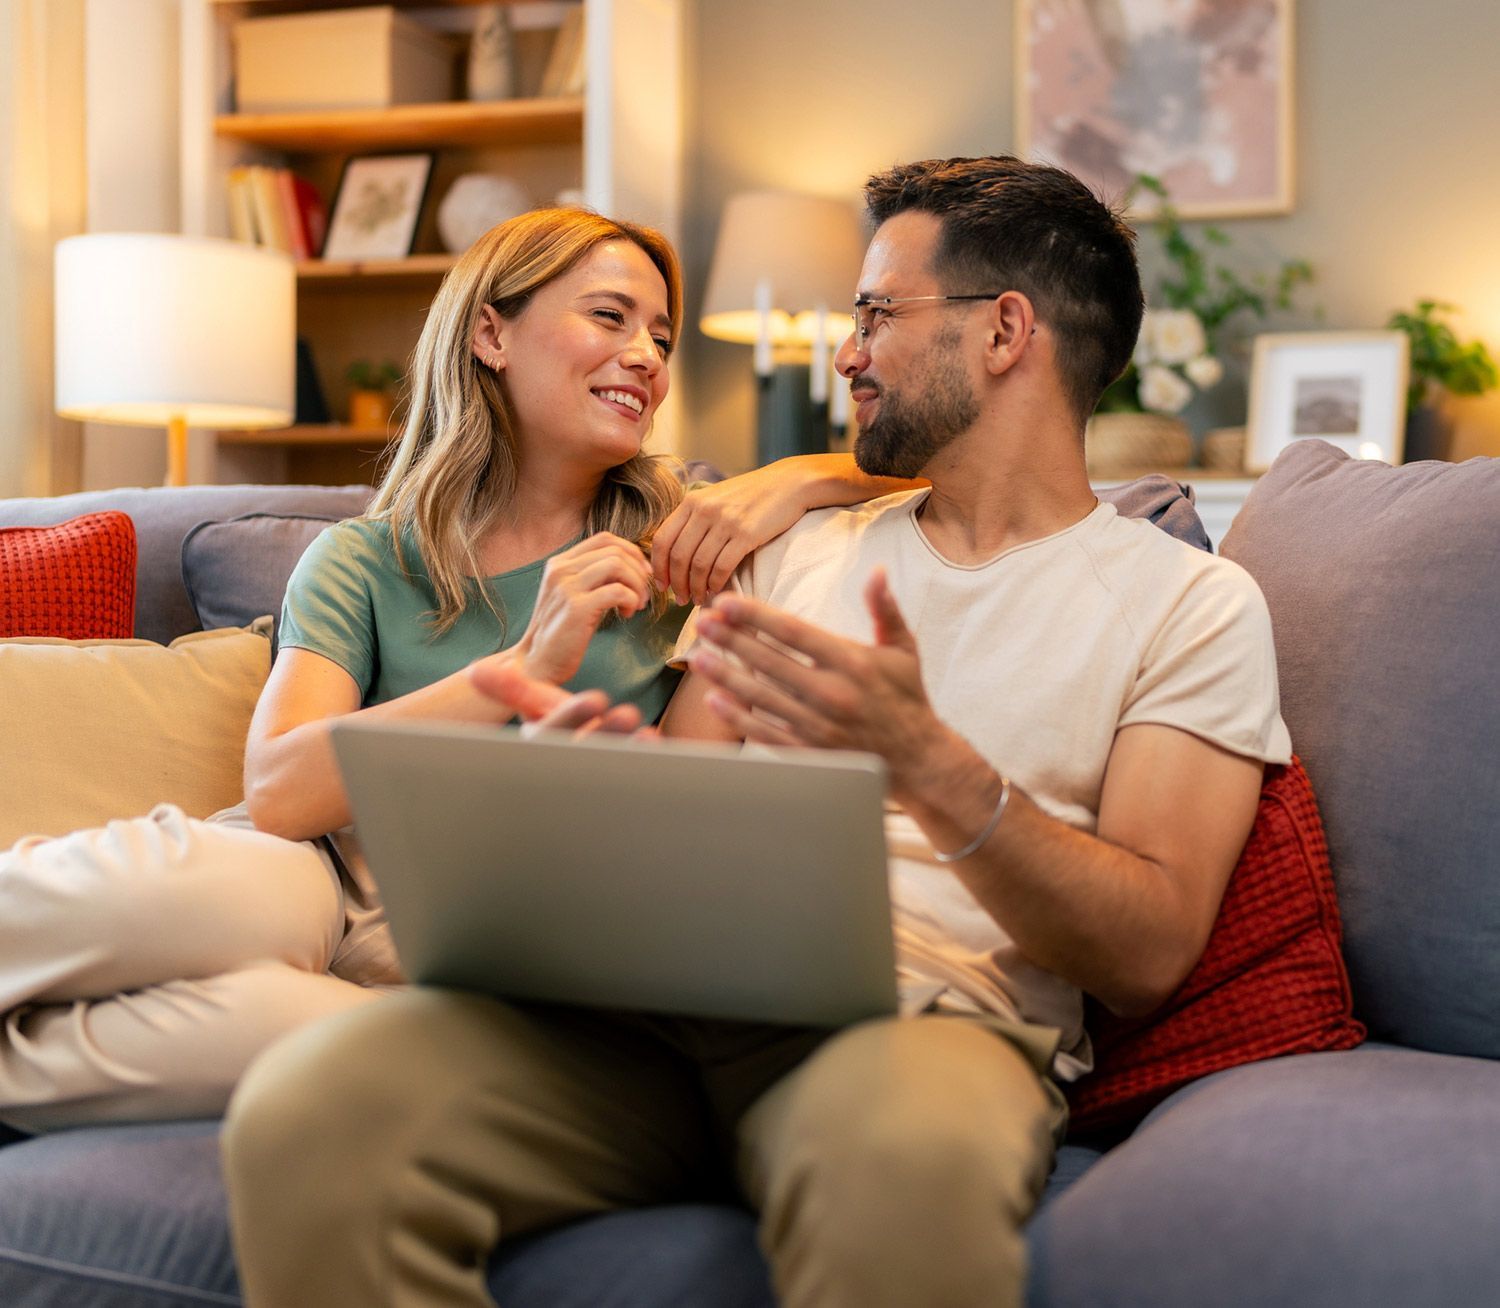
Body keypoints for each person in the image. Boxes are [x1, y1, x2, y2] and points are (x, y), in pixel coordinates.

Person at [221, 158, 1292, 1308]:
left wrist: (928, 765)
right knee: (313, 1112)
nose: (846, 352)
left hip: (915, 1021)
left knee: (901, 1174)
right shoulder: (796, 554)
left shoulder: (1190, 604)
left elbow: (1147, 952)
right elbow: (677, 794)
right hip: (645, 1013)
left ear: (1005, 332)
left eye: (878, 314)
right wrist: (591, 780)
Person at [0, 206, 906, 1134]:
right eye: (610, 317)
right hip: (318, 866)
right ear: (490, 333)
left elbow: (953, 473)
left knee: (334, 1049)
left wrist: (800, 474)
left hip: (488, 925)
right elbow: (278, 791)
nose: (647, 356)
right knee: (221, 900)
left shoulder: (692, 544)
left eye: (661, 335)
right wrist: (520, 665)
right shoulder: (366, 558)